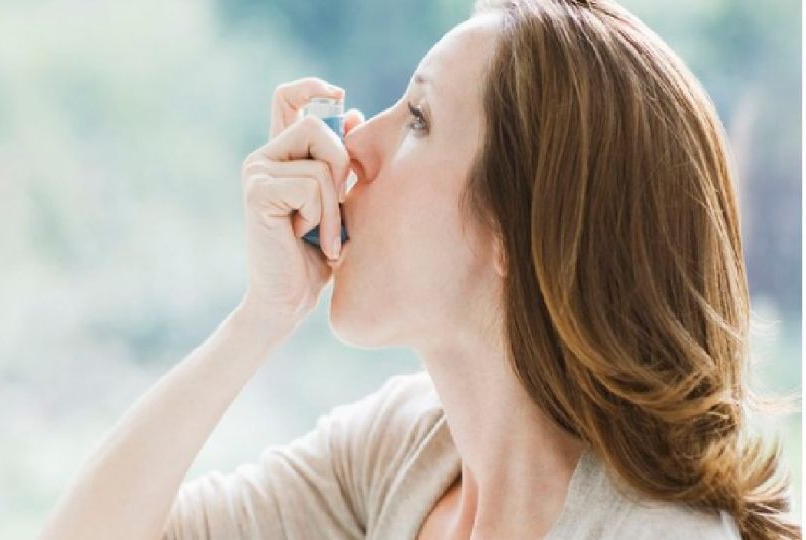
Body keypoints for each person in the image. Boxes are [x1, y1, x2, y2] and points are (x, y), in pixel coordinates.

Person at [39, 0, 800, 539]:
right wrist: (260, 317)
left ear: (519, 228)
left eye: (418, 120)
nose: (353, 149)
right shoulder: (404, 452)